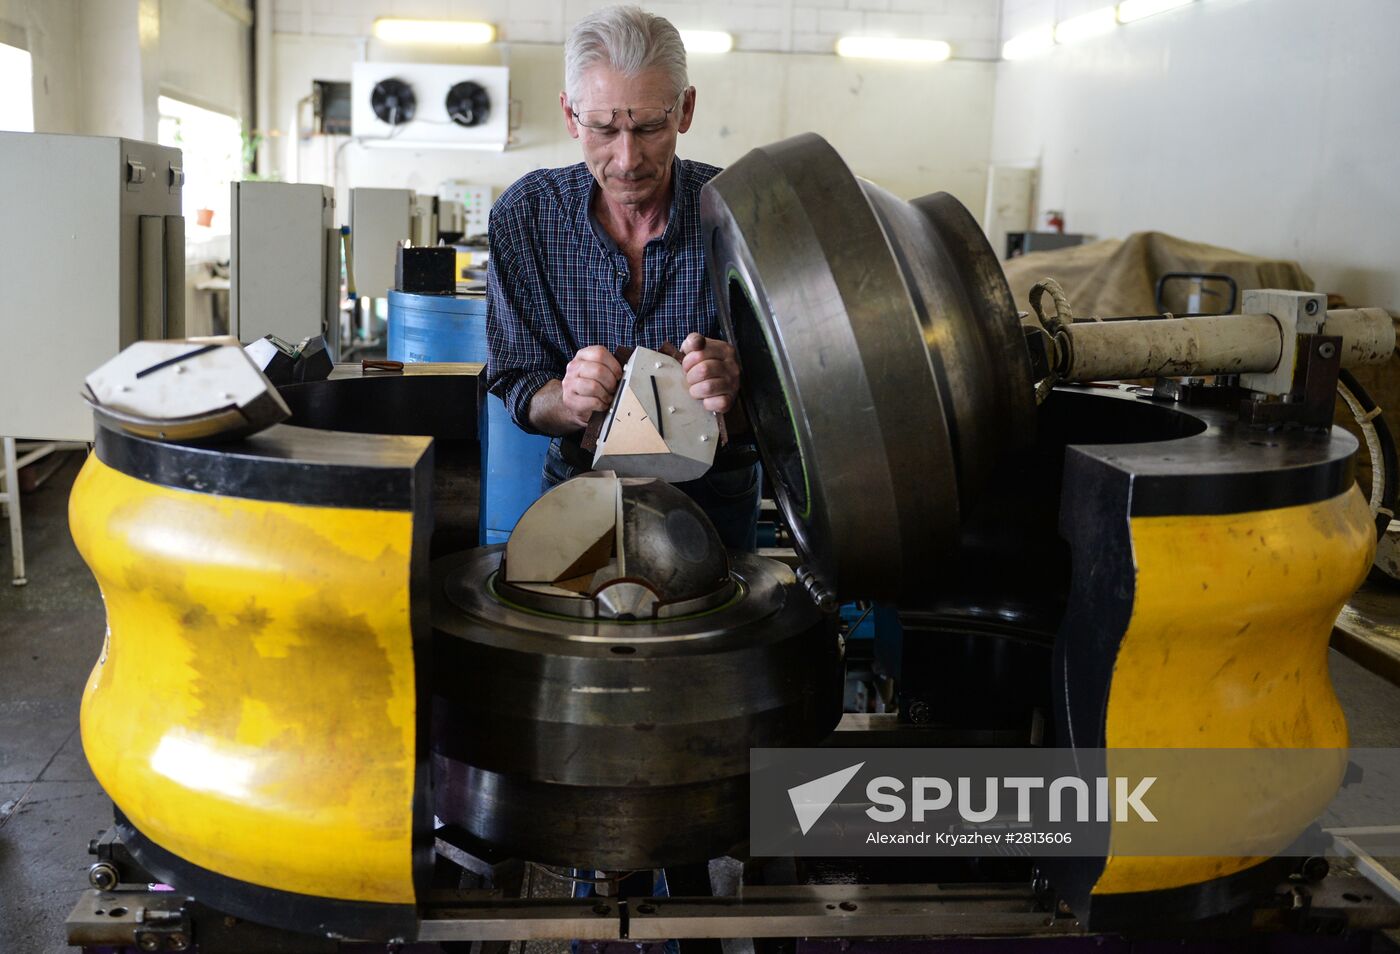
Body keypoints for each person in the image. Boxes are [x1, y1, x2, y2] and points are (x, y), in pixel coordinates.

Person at [485, 4, 760, 551]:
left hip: (716, 497)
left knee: (718, 633)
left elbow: (798, 395)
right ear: (570, 116)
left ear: (685, 109)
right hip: (579, 488)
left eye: (650, 126)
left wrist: (740, 386)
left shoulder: (741, 217)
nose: (627, 158)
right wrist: (567, 399)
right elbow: (515, 381)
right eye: (604, 128)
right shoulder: (527, 217)